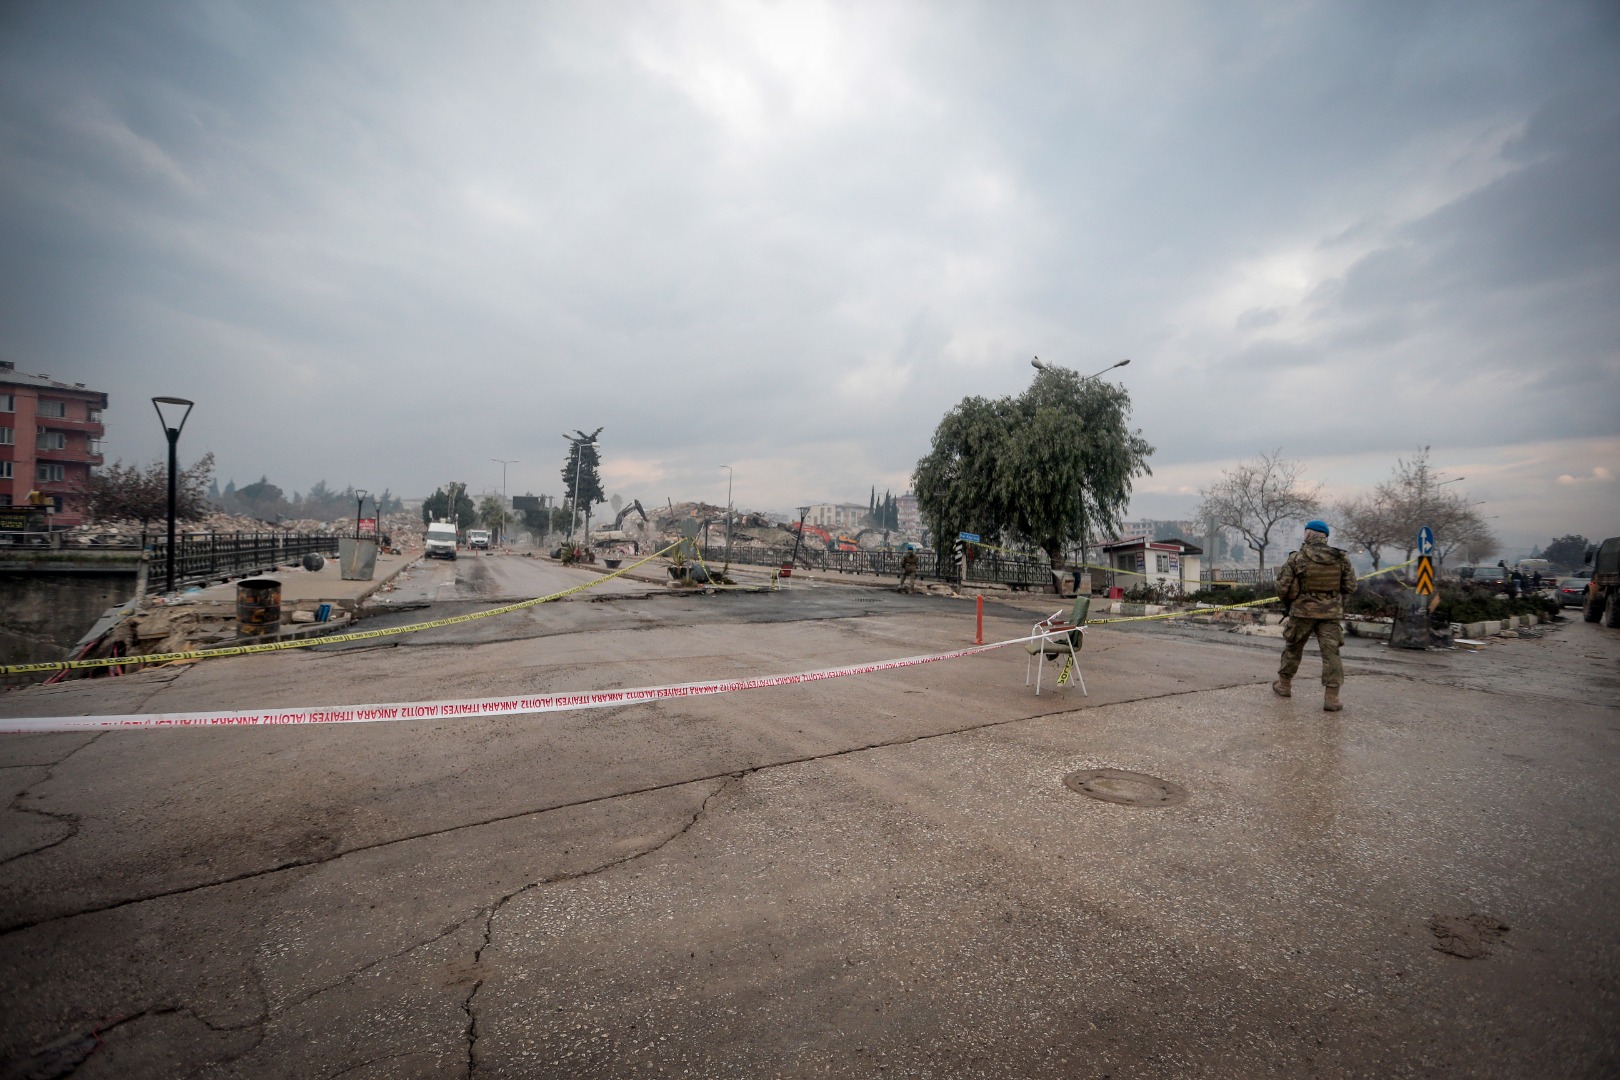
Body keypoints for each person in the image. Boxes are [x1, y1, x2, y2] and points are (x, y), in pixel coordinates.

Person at [1272, 519, 1357, 712]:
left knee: (1293, 648)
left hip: (1302, 612)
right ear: (1325, 537)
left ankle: (1284, 686)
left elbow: (1281, 587)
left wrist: (1290, 601)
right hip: (1330, 614)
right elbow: (1351, 586)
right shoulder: (1341, 558)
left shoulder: (1297, 558)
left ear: (1307, 535)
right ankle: (1332, 698)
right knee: (1331, 654)